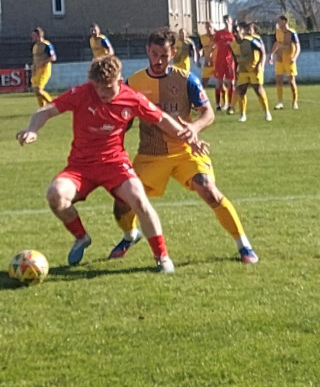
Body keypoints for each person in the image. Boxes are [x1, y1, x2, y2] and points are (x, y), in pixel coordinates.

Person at [14, 55, 203, 273]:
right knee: (55, 195)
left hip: (115, 164)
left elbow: (161, 119)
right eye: (98, 88)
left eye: (108, 88)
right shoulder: (82, 93)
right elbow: (46, 110)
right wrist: (32, 129)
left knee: (139, 201)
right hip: (80, 166)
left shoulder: (132, 98)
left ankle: (162, 257)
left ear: (119, 81)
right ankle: (81, 237)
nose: (102, 93)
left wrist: (188, 136)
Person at [109, 29, 259, 265]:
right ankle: (130, 235)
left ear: (174, 53)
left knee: (209, 189)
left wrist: (195, 128)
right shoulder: (133, 83)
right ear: (148, 51)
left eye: (164, 56)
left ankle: (244, 245)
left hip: (185, 151)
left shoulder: (186, 79)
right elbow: (123, 120)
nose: (158, 61)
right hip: (150, 155)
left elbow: (208, 113)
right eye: (155, 54)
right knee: (121, 204)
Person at [231, 22, 271, 122]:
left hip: (254, 69)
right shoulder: (232, 44)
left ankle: (267, 112)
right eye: (234, 32)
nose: (236, 34)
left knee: (258, 90)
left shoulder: (250, 41)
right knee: (241, 91)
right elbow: (235, 59)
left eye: (237, 31)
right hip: (242, 70)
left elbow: (262, 50)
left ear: (242, 31)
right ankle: (243, 115)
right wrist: (236, 70)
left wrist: (260, 65)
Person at [268, 14, 301, 110]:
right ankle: (279, 102)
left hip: (289, 58)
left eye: (279, 21)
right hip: (279, 58)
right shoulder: (278, 32)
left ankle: (294, 102)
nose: (277, 23)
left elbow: (298, 46)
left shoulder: (292, 33)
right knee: (278, 80)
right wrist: (271, 54)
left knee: (291, 81)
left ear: (284, 21)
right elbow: (277, 43)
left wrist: (294, 57)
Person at [212, 15, 237, 113]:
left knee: (232, 83)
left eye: (228, 20)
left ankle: (230, 104)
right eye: (224, 20)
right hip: (220, 61)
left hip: (230, 61)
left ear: (231, 21)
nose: (226, 21)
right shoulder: (219, 33)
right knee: (219, 83)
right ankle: (218, 104)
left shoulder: (234, 34)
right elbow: (212, 45)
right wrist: (209, 56)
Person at [30, 26, 56, 107]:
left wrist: (43, 62)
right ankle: (43, 108)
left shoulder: (46, 45)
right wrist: (33, 69)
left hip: (44, 70)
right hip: (36, 71)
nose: (32, 37)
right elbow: (35, 60)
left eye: (34, 36)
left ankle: (53, 105)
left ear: (39, 36)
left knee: (39, 90)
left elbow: (53, 57)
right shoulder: (35, 47)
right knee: (36, 91)